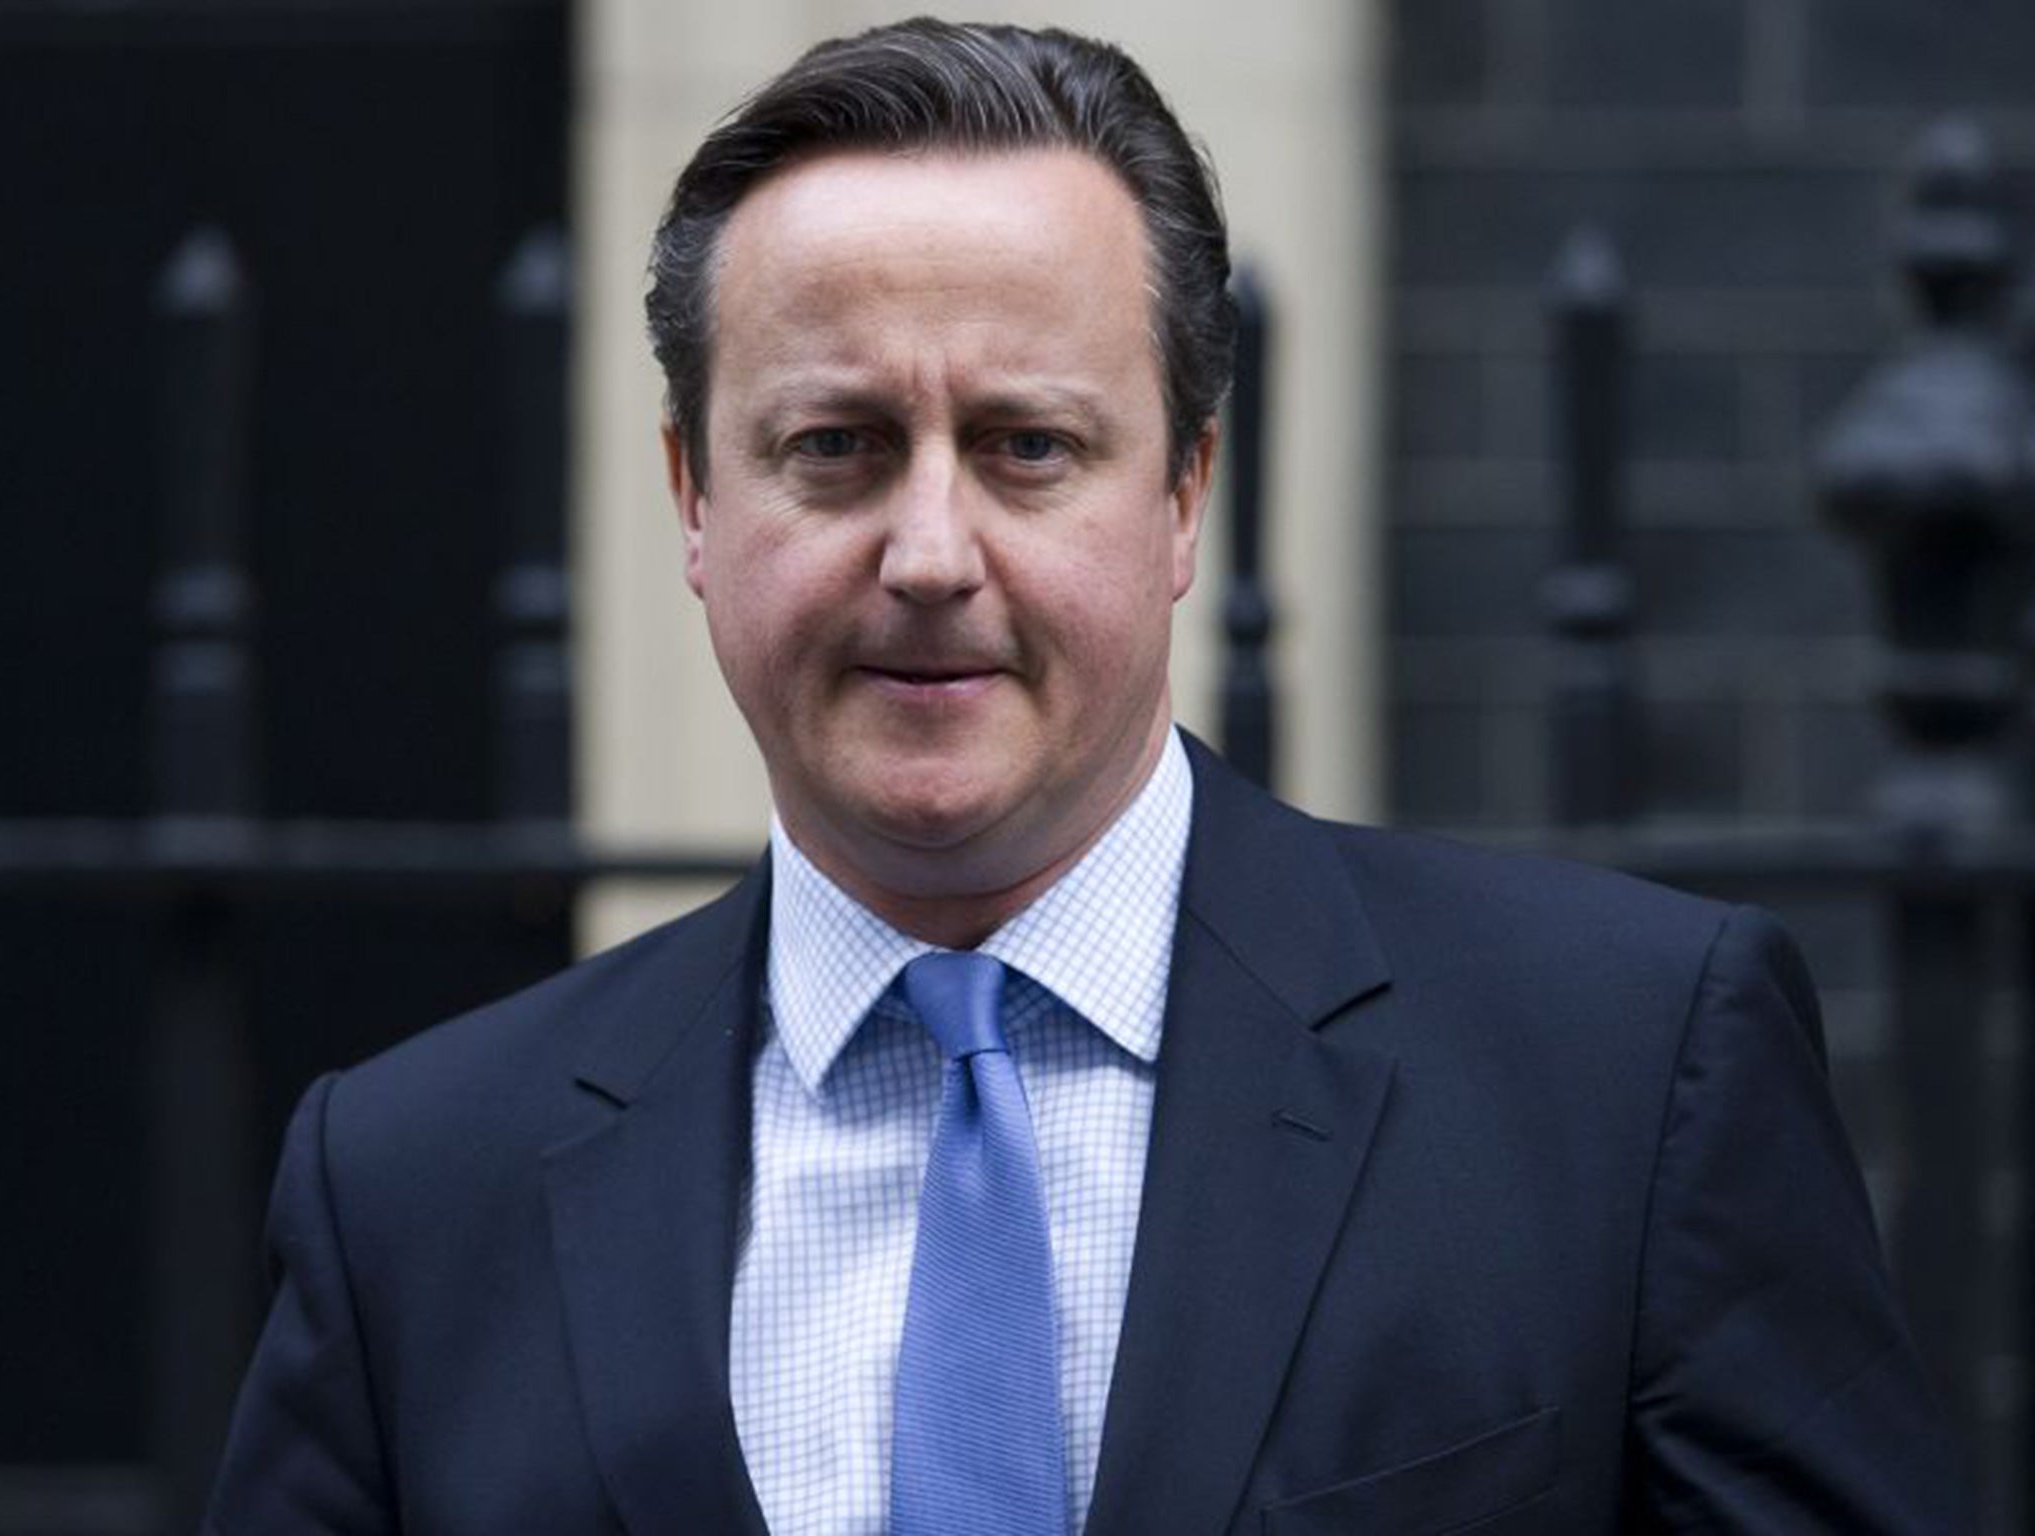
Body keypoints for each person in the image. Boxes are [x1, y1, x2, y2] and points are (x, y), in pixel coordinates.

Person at [205, 18, 1969, 1535]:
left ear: (1189, 492)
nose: (926, 550)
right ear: (691, 497)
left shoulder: (1621, 1079)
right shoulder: (416, 1192)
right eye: (835, 448)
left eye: (1027, 447)